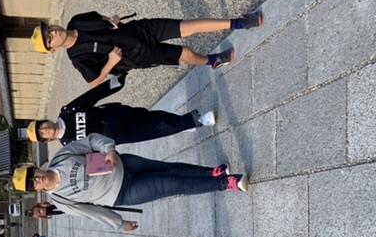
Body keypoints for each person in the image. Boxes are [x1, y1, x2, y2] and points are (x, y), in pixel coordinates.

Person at [12, 133, 247, 232]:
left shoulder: (60, 157)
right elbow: (92, 213)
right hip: (124, 192)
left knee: (169, 168)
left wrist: (109, 150)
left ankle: (210, 172)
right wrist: (119, 223)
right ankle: (225, 183)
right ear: (37, 190)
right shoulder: (61, 200)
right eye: (32, 184)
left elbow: (91, 141)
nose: (36, 179)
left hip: (125, 164)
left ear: (35, 168)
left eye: (33, 175)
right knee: (172, 184)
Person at [31, 11, 262, 87]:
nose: (53, 32)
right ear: (53, 50)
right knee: (185, 53)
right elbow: (93, 82)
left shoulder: (76, 21)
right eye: (49, 38)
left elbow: (97, 16)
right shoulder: (77, 57)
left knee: (188, 27)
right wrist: (111, 62)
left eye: (49, 29)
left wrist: (109, 19)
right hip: (139, 55)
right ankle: (212, 61)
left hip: (139, 30)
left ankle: (240, 23)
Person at [27, 74, 215, 145]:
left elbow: (91, 97)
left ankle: (183, 124)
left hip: (112, 114)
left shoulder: (67, 111)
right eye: (42, 134)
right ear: (47, 139)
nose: (45, 130)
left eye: (41, 126)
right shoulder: (67, 143)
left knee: (151, 116)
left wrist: (115, 82)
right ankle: (196, 121)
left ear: (45, 121)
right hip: (113, 136)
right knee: (154, 129)